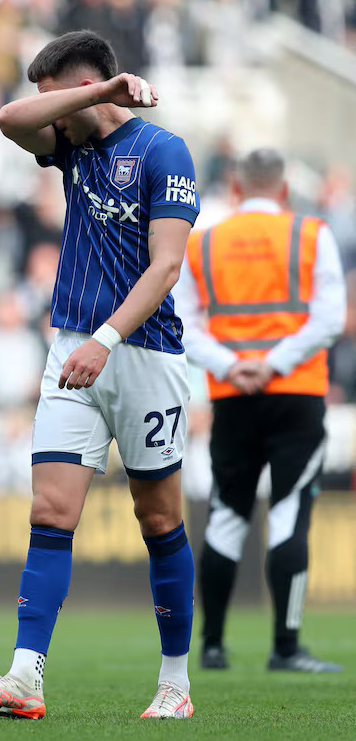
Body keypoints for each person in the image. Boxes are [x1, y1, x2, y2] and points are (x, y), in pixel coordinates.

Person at [0, 30, 200, 721]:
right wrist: (89, 96)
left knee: (157, 518)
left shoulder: (163, 150)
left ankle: (175, 684)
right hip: (70, 349)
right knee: (50, 512)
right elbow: (7, 121)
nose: (48, 113)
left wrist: (107, 338)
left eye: (54, 96)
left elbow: (166, 268)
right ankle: (26, 677)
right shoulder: (70, 143)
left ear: (87, 81)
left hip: (144, 355)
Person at [174, 148, 345, 673]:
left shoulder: (204, 243)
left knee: (227, 515)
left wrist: (233, 367)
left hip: (233, 397)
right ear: (285, 189)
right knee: (290, 513)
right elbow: (329, 318)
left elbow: (182, 320)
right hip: (298, 393)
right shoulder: (311, 235)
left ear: (235, 186)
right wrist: (275, 364)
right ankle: (286, 648)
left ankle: (212, 646)